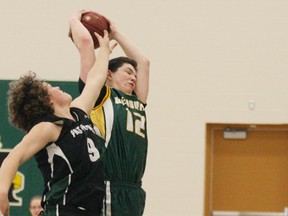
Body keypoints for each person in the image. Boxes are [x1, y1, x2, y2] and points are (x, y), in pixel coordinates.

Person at [0, 9, 116, 216]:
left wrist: (105, 50)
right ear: (45, 100)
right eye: (50, 87)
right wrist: (1, 191)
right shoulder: (48, 127)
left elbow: (95, 81)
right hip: (63, 210)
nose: (57, 87)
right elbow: (13, 157)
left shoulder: (79, 112)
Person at [70, 11, 150, 216]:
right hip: (109, 184)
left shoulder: (137, 100)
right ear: (108, 74)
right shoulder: (101, 95)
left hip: (134, 188)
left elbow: (143, 62)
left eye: (135, 74)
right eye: (127, 72)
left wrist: (117, 33)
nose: (134, 77)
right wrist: (74, 19)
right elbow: (86, 44)